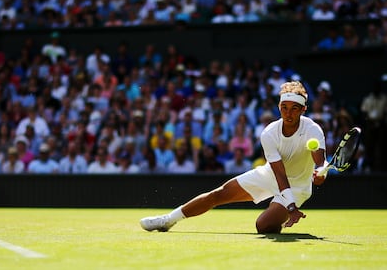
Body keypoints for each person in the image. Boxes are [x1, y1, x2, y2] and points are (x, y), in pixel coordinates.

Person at [140, 81, 327, 234]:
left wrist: (320, 173)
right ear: (279, 106)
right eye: (284, 107)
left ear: (303, 110)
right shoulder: (269, 133)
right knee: (218, 194)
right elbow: (279, 174)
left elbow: (320, 162)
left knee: (263, 226)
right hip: (271, 175)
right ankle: (167, 220)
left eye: (295, 108)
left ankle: (278, 214)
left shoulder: (313, 130)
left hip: (298, 187)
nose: (288, 113)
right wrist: (291, 208)